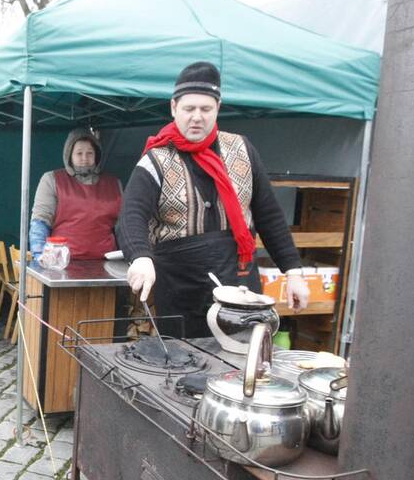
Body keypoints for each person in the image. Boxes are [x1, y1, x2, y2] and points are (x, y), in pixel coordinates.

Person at [118, 61, 310, 338]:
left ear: (217, 108)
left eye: (205, 109)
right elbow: (130, 215)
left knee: (239, 369)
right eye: (189, 109)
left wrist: (293, 272)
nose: (197, 117)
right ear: (174, 108)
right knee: (185, 369)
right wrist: (140, 257)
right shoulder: (156, 159)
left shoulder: (242, 150)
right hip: (180, 290)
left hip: (239, 284)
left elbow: (269, 215)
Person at [28, 127, 122, 260]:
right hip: (61, 262)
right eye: (79, 153)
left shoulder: (114, 184)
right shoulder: (51, 180)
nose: (85, 158)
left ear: (97, 155)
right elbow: (40, 222)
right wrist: (39, 255)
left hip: (106, 263)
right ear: (69, 155)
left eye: (90, 153)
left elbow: (123, 226)